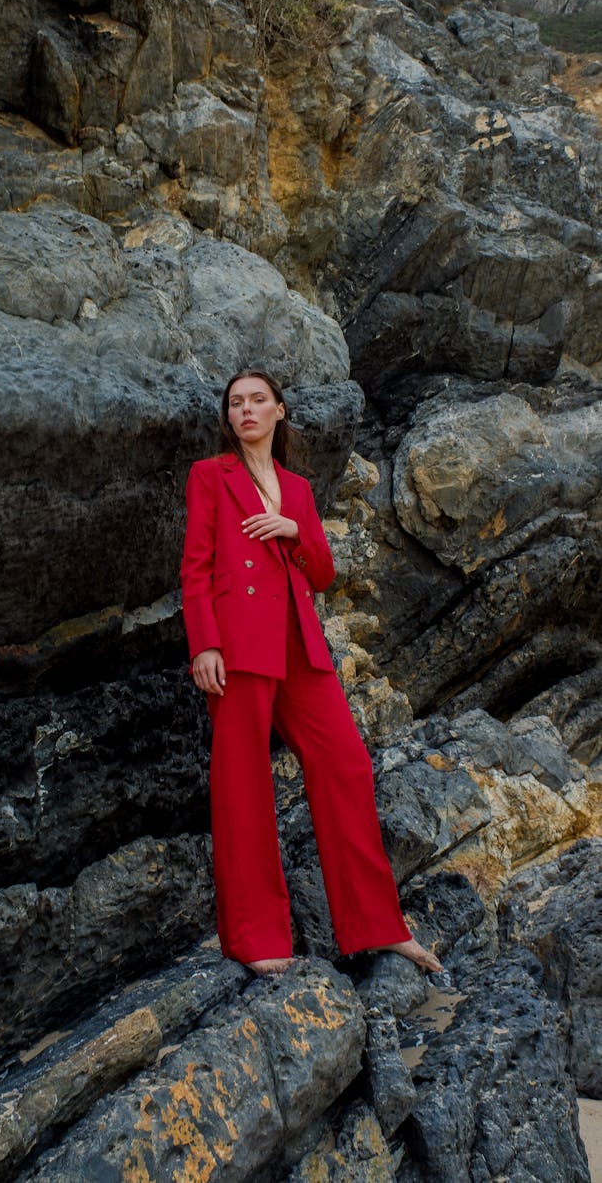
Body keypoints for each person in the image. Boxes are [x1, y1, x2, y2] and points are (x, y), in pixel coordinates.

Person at [180, 368, 442, 977]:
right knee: (243, 782)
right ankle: (256, 940)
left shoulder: (297, 488)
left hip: (300, 643)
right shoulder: (210, 476)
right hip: (239, 644)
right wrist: (204, 646)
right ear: (230, 418)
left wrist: (296, 530)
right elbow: (195, 567)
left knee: (346, 762)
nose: (246, 410)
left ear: (278, 411)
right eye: (236, 403)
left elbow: (321, 573)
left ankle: (379, 925)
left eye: (257, 401)